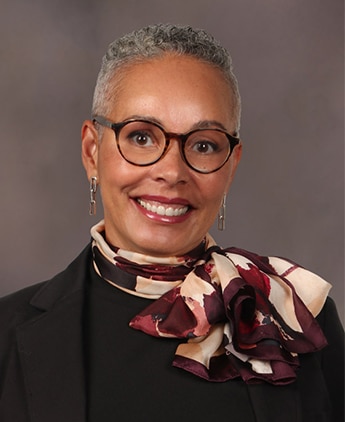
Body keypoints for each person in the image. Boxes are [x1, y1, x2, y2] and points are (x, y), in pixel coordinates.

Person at [0, 24, 343, 422]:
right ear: (93, 152)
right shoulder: (6, 334)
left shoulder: (301, 325)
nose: (172, 171)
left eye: (203, 145)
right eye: (142, 137)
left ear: (230, 166)